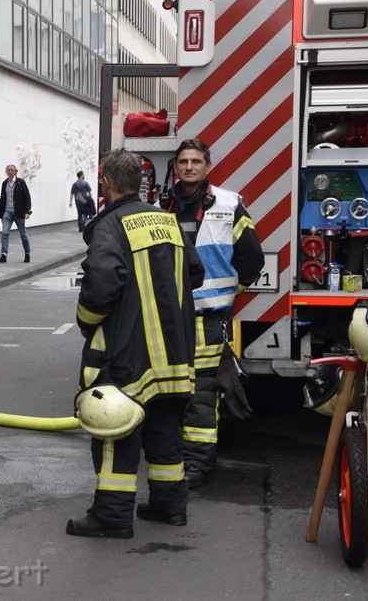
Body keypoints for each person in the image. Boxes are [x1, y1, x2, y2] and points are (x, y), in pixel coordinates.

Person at [66, 149, 205, 538]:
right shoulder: (167, 220)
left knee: (115, 430)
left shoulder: (110, 226)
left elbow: (101, 285)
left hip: (128, 352)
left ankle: (111, 517)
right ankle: (169, 506)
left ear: (105, 183)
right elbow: (195, 271)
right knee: (163, 427)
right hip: (174, 353)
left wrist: (85, 321)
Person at [160, 138, 264, 489]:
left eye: (196, 161)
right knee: (167, 389)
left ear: (207, 166)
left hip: (208, 317)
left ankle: (198, 465)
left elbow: (252, 261)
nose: (189, 167)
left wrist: (227, 295)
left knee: (201, 394)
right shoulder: (160, 206)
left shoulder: (228, 204)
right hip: (166, 316)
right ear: (175, 166)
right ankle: (169, 455)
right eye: (183, 161)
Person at [0, 164, 32, 263]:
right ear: (6, 172)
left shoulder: (21, 182)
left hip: (19, 212)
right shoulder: (4, 183)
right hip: (7, 212)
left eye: (12, 170)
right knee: (5, 233)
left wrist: (28, 211)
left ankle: (27, 253)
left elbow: (27, 197)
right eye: (8, 170)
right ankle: (4, 254)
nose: (10, 172)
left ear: (15, 171)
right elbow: (2, 199)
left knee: (23, 234)